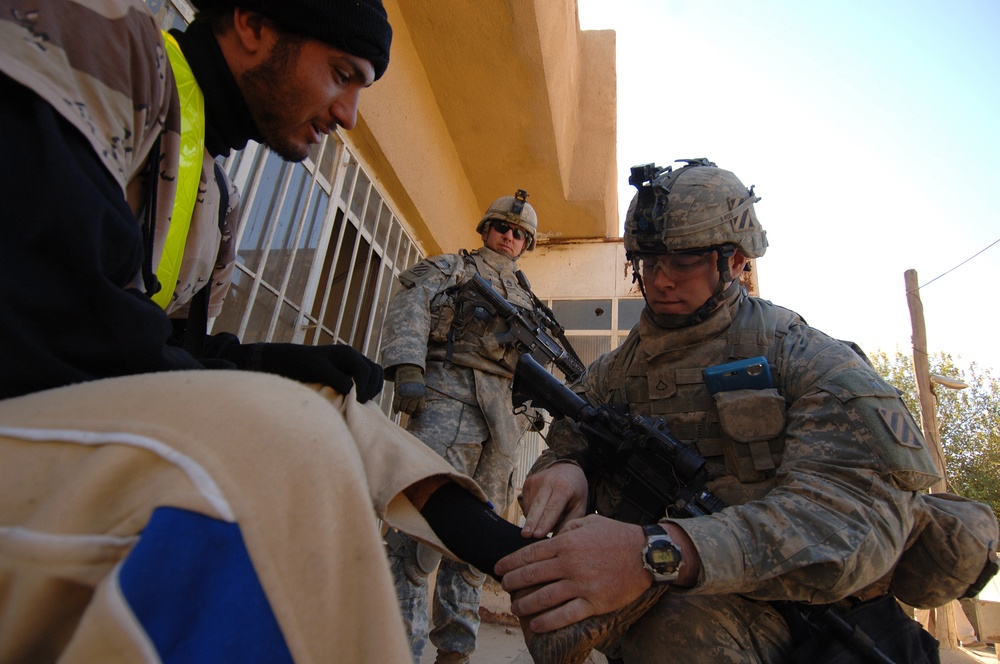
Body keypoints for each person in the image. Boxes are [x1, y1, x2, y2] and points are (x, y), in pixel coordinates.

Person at [0, 1, 531, 660]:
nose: (348, 114)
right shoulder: (94, 46)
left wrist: (269, 362)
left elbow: (160, 351)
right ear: (252, 25)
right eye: (342, 74)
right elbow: (49, 308)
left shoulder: (212, 190)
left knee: (328, 401)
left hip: (58, 421)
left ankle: (521, 559)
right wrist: (271, 385)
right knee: (282, 424)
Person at [495, 159, 958, 663]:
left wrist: (660, 551)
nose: (661, 280)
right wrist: (565, 468)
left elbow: (852, 521)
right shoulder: (612, 375)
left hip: (813, 610)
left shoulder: (803, 357)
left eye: (684, 261)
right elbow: (563, 448)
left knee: (674, 633)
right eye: (649, 262)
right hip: (691, 602)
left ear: (735, 260)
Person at [380, 190, 552, 663]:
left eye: (518, 234)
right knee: (415, 534)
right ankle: (402, 649)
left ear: (526, 245)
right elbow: (410, 307)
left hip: (500, 428)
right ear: (485, 229)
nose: (508, 237)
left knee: (478, 546)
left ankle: (455, 650)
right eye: (501, 227)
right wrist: (408, 369)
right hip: (444, 405)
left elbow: (537, 367)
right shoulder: (450, 269)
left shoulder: (531, 304)